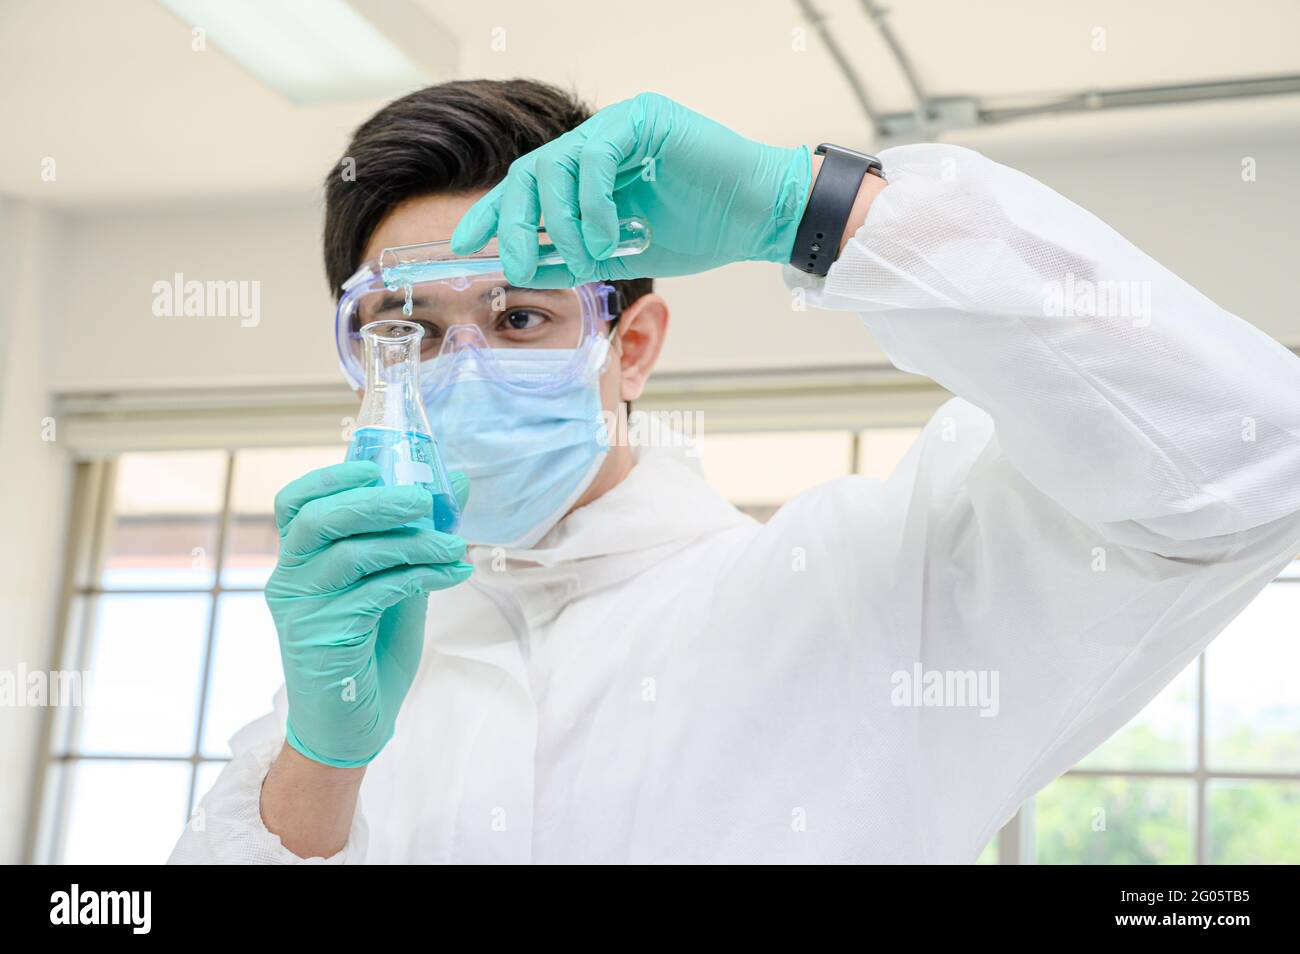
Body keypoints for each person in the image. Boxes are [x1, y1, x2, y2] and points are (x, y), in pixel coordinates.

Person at [169, 81, 1300, 864]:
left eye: (520, 316)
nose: (462, 369)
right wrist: (319, 762)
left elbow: (1241, 460)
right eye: (409, 329)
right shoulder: (335, 684)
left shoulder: (868, 590)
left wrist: (811, 208)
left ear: (634, 347)